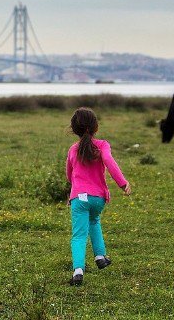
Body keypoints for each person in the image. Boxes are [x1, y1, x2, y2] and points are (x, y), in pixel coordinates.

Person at [66, 107, 132, 286]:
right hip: (98, 198)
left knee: (79, 235)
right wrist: (122, 183)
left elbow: (68, 175)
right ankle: (100, 257)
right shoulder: (102, 145)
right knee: (94, 222)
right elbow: (109, 162)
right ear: (95, 127)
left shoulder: (73, 149)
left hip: (79, 198)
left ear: (74, 129)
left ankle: (78, 271)